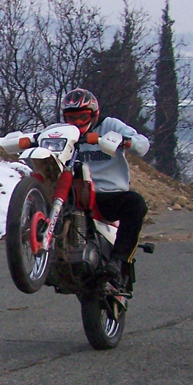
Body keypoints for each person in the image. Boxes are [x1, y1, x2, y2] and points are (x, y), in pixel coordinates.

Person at [60, 88, 150, 294]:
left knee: (135, 203)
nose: (77, 123)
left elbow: (142, 145)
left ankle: (119, 261)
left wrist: (126, 141)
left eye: (83, 117)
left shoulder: (111, 125)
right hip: (74, 193)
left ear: (94, 114)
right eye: (72, 118)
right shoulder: (63, 131)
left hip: (108, 195)